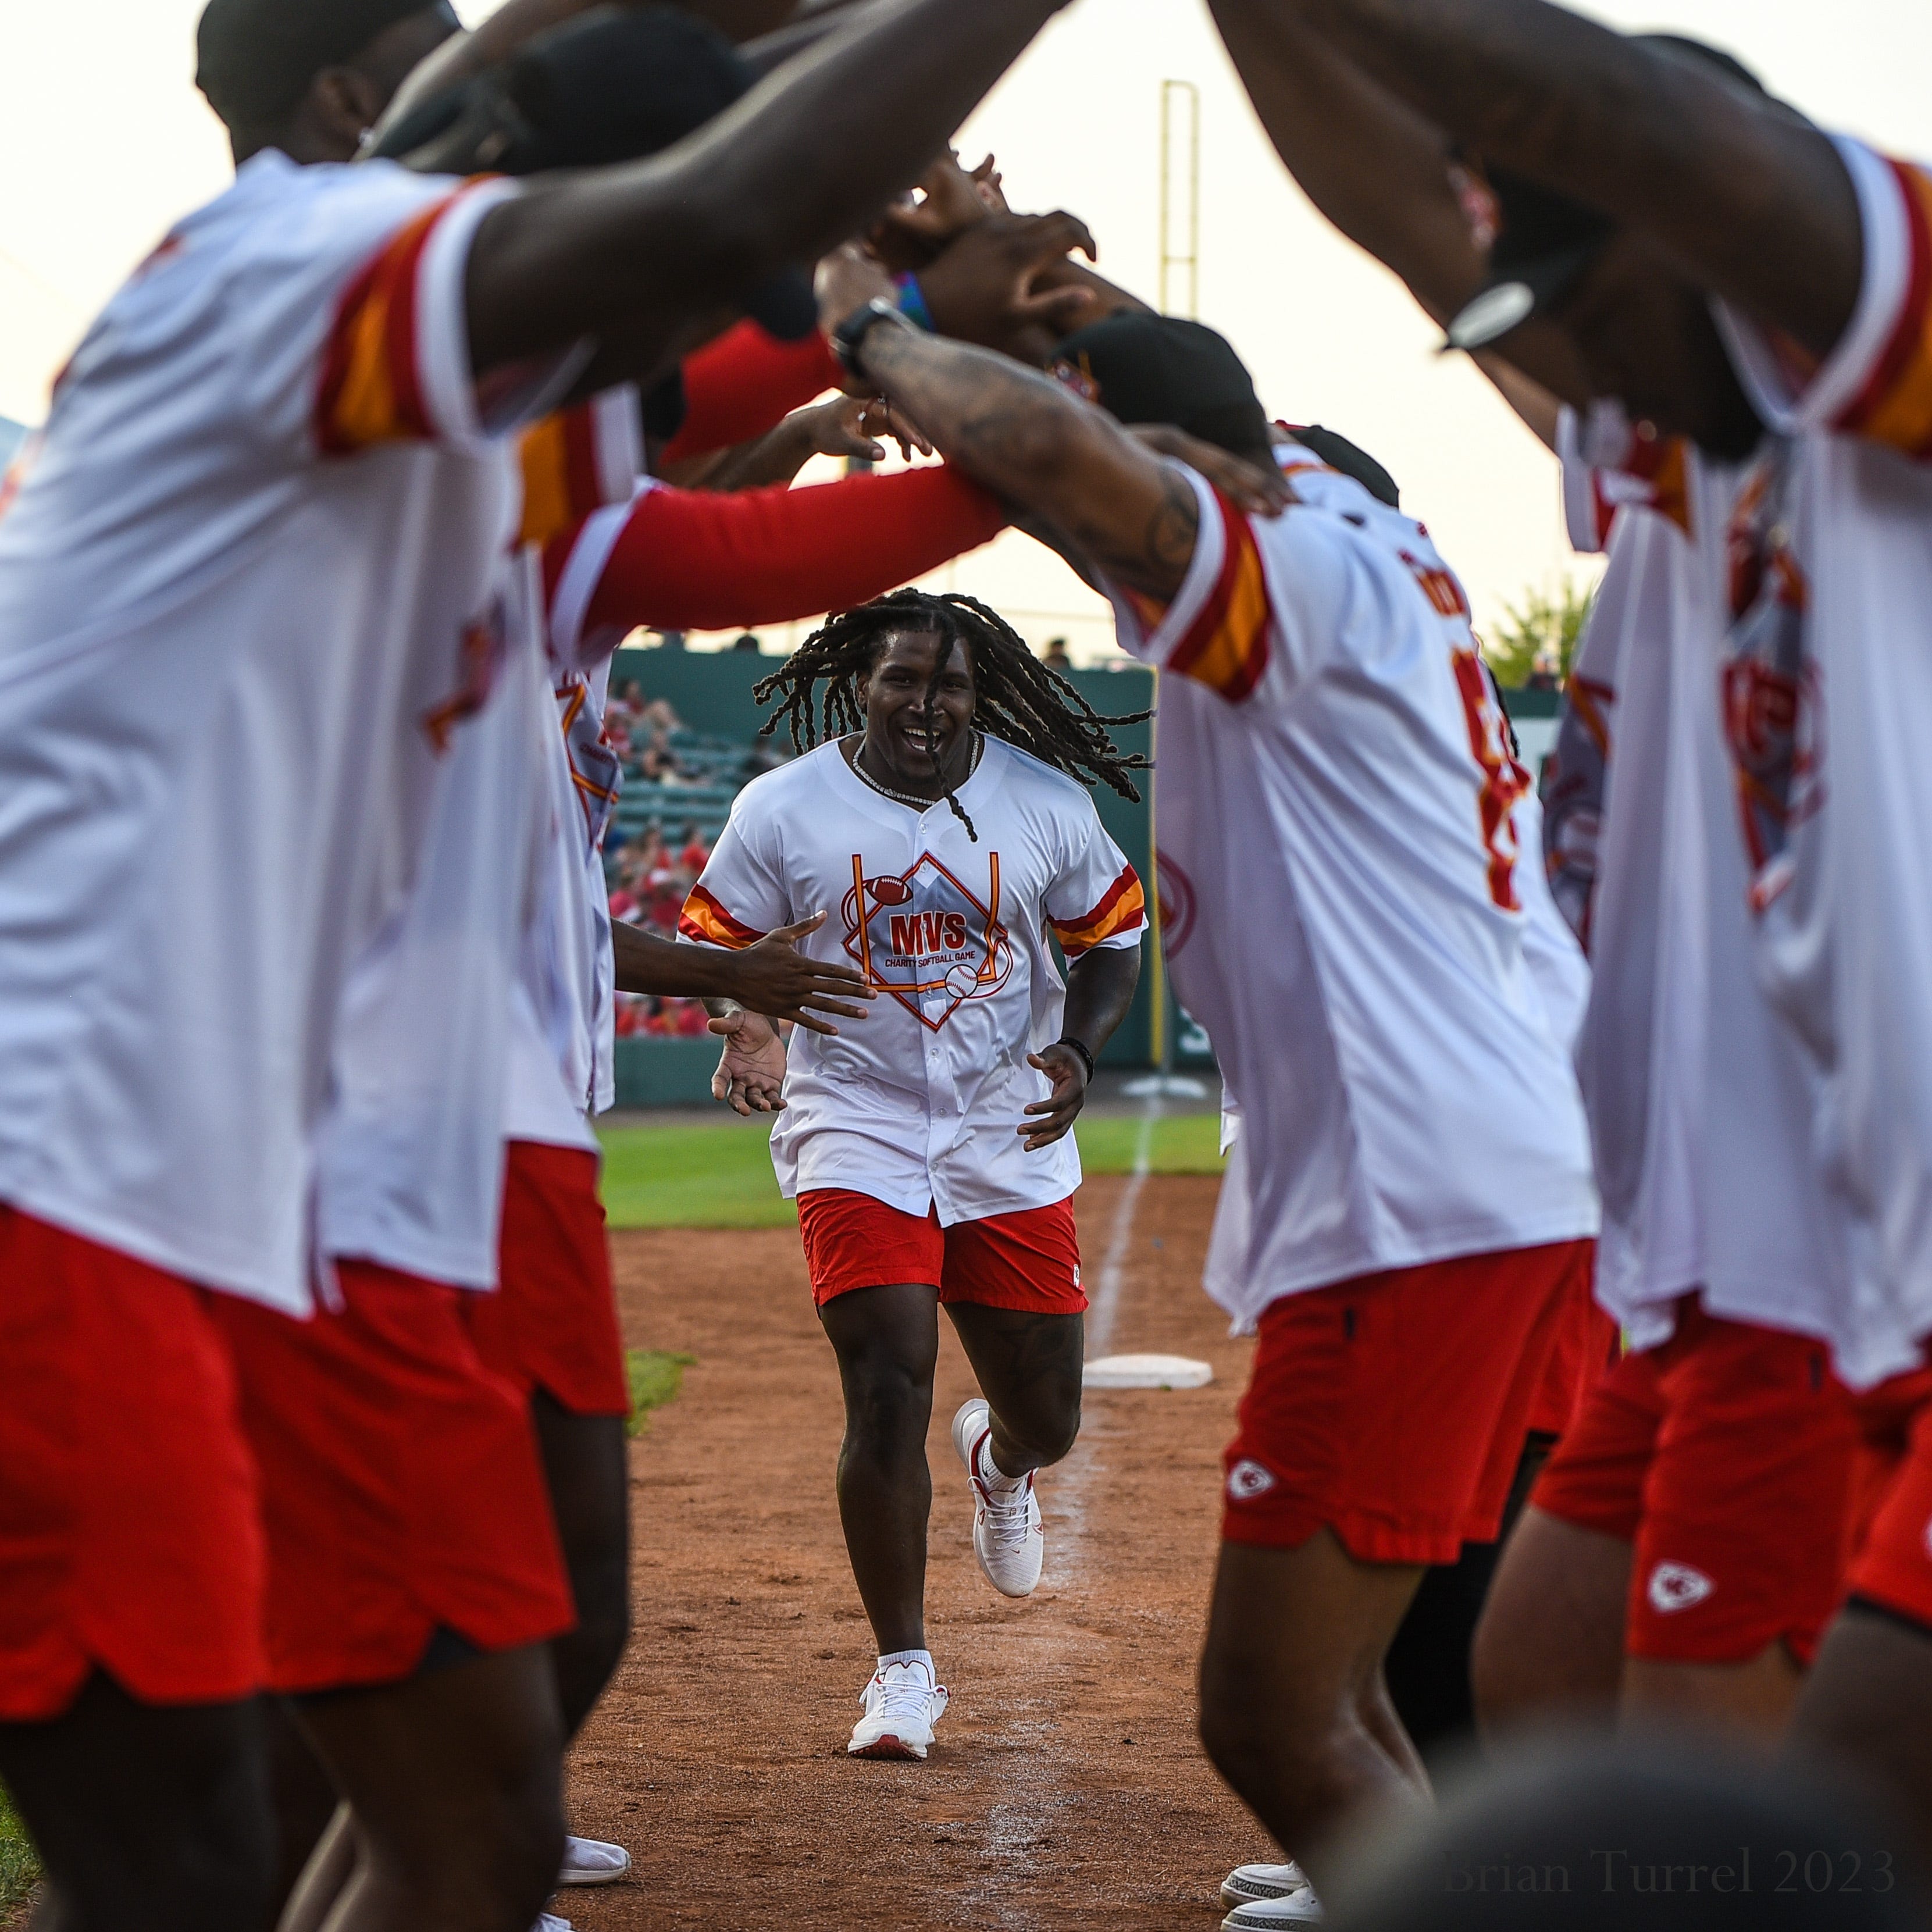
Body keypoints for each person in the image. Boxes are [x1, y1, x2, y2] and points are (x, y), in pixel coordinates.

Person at [0, 0, 1082, 1919]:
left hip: (262, 1169)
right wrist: (895, 280)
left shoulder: (471, 427)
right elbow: (714, 227)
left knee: (470, 1805)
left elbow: (720, 487)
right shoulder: (280, 272)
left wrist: (1000, 408)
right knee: (186, 1838)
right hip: (67, 1153)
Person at [1206, 0, 1932, 1815]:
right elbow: (1406, 221)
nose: (1563, 359)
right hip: (1728, 1247)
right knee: (1537, 1680)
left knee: (1775, 1799)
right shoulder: (1679, 456)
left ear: (1697, 223)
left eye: (1582, 296)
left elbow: (1633, 124)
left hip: (1850, 1260)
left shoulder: (1879, 371)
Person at [834, 300, 1598, 1869]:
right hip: (1502, 1171)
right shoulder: (1350, 529)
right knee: (1381, 1656)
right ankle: (1425, 1874)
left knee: (1274, 1710)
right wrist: (968, 308)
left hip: (1418, 1194)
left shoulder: (1292, 570)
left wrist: (876, 327)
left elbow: (1069, 463)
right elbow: (1086, 479)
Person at [678, 589, 1147, 1759]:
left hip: (1006, 1125)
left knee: (1050, 1410)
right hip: (854, 1119)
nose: (924, 703)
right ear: (860, 680)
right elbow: (713, 939)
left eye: (946, 683)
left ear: (976, 691)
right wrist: (747, 1024)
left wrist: (1078, 1052)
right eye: (901, 679)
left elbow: (1112, 939)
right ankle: (902, 1670)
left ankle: (1003, 1454)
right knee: (885, 1376)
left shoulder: (1042, 803)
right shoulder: (781, 808)